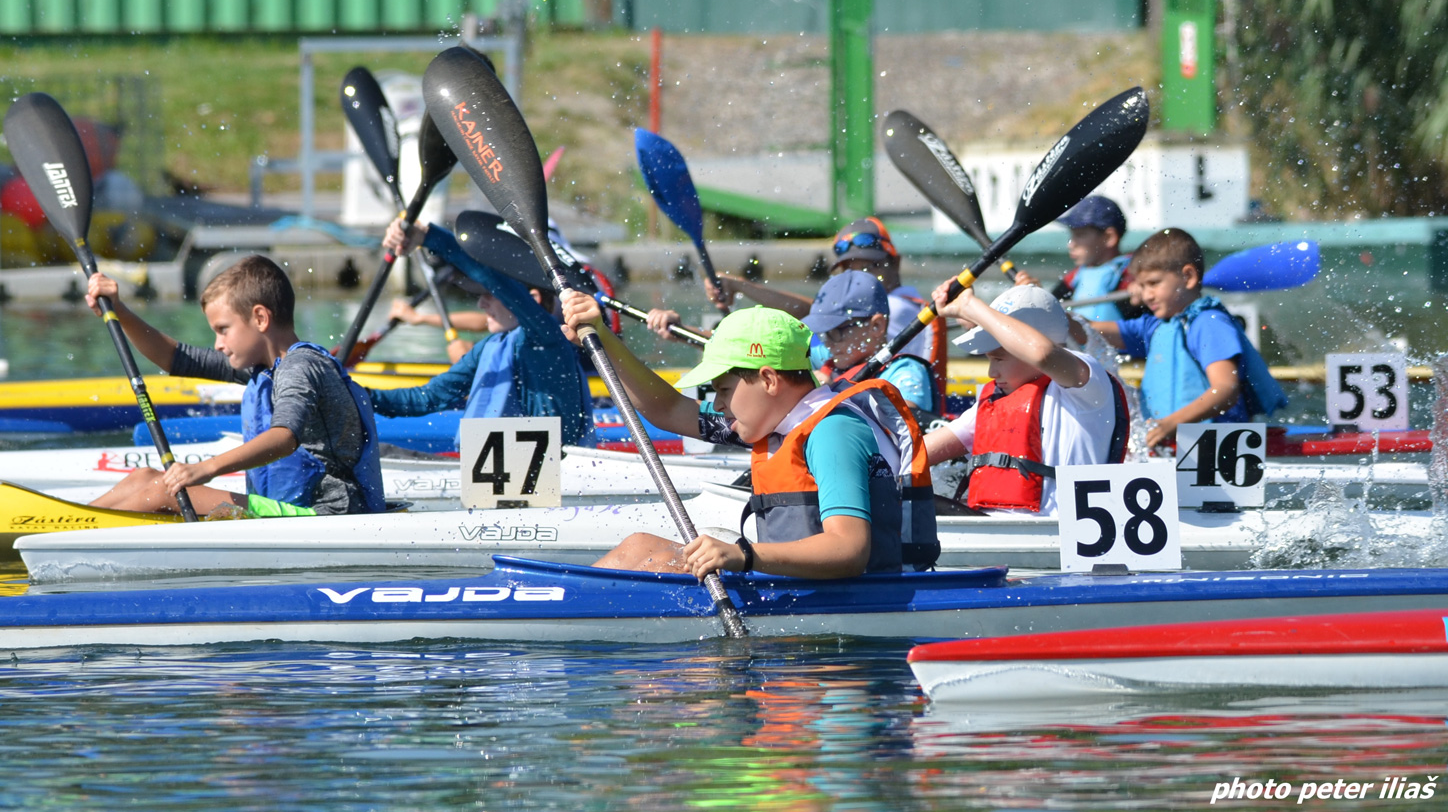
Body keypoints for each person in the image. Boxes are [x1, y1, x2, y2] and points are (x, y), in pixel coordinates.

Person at [557, 294, 939, 580]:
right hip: (792, 586)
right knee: (640, 545)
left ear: (769, 380)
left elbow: (849, 549)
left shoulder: (833, 432)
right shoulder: (775, 423)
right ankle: (563, 608)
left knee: (660, 564)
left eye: (723, 391)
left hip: (852, 601)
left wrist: (745, 555)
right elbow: (668, 409)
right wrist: (603, 338)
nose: (718, 405)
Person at [85, 255, 384, 517]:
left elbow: (284, 437)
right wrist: (120, 311)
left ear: (260, 318)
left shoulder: (301, 367)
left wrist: (205, 468)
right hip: (290, 510)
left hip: (328, 515)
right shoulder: (265, 369)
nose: (218, 344)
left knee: (161, 490)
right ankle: (67, 523)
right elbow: (175, 358)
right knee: (144, 478)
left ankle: (66, 531)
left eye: (223, 330)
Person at [370, 217, 595, 449]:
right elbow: (427, 398)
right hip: (499, 480)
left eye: (489, 294)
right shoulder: (489, 348)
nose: (481, 304)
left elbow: (492, 278)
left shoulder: (548, 339)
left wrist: (428, 236)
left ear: (533, 299)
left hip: (559, 476)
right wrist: (358, 395)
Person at [923, 283, 1129, 514]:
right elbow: (919, 453)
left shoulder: (1088, 382)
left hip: (1062, 533)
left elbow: (1042, 353)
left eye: (999, 359)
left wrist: (970, 305)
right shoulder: (998, 400)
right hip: (999, 530)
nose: (992, 373)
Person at [1090, 228, 1287, 450]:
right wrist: (1049, 310)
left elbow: (1225, 389)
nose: (1146, 295)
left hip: (1216, 450)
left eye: (1154, 283)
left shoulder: (1208, 323)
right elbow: (1089, 331)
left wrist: (1171, 424)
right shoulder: (1156, 326)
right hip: (1172, 447)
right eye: (1142, 286)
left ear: (1188, 277)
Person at [702, 217, 946, 385]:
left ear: (896, 262)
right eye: (849, 270)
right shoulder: (845, 341)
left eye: (869, 268)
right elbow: (784, 343)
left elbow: (808, 321)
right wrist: (698, 336)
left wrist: (741, 286)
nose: (858, 279)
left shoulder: (901, 309)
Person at [802, 269, 940, 416]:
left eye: (836, 332)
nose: (828, 343)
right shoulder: (830, 354)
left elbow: (903, 424)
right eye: (823, 333)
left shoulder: (905, 371)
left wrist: (832, 396)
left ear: (876, 326)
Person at [1017, 195, 1141, 323]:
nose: (1071, 244)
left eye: (1080, 235)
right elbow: (1049, 309)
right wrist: (1037, 295)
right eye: (1072, 235)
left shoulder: (1133, 275)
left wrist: (1144, 290)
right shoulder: (1074, 278)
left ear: (1109, 238)